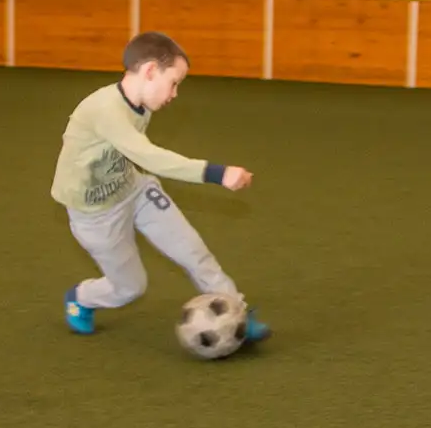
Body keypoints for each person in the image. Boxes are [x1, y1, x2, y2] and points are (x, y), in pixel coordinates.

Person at [49, 31, 269, 345]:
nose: (175, 94)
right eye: (174, 82)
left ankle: (238, 315)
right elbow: (150, 157)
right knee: (130, 288)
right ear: (151, 71)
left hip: (135, 192)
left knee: (194, 251)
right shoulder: (105, 110)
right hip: (96, 216)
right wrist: (217, 173)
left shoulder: (143, 105)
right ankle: (81, 297)